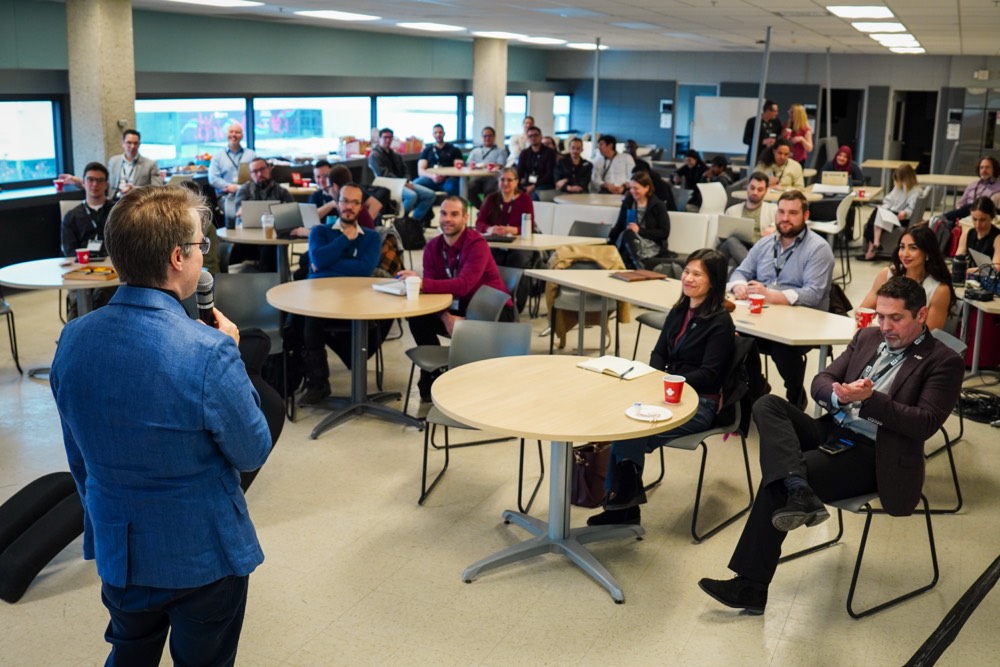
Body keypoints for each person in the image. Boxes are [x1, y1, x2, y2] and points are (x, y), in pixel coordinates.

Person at [49, 185, 273, 663]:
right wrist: (235, 357)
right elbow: (252, 450)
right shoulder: (209, 351)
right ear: (177, 257)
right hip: (202, 555)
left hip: (120, 547)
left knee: (129, 652)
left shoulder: (72, 339)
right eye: (199, 245)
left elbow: (78, 454)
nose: (203, 254)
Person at [699, 276, 964, 615]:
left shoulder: (942, 361)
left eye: (896, 318)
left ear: (921, 315)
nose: (885, 326)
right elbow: (821, 380)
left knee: (778, 479)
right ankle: (799, 488)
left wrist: (869, 400)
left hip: (875, 454)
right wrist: (839, 396)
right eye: (881, 316)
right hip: (833, 429)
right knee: (768, 405)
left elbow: (924, 423)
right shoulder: (867, 337)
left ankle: (751, 585)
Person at [587, 249, 736, 526]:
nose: (688, 278)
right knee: (625, 425)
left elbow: (709, 375)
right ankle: (624, 504)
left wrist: (668, 381)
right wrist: (656, 378)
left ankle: (621, 506)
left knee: (630, 432)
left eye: (697, 274)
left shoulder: (720, 322)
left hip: (699, 403)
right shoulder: (680, 310)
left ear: (714, 281)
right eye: (687, 271)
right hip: (666, 394)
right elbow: (659, 353)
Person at [727, 190, 835, 409]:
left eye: (793, 213)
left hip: (804, 322)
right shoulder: (765, 243)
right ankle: (757, 387)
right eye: (781, 212)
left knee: (782, 347)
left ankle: (796, 398)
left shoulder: (818, 248)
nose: (785, 218)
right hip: (763, 318)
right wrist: (739, 285)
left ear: (805, 215)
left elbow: (813, 293)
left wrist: (770, 295)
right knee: (730, 336)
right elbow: (740, 272)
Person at [398, 196, 510, 401]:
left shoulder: (477, 244)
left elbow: (463, 284)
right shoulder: (432, 247)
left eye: (454, 214)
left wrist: (421, 283)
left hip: (492, 313)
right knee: (417, 317)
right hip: (457, 309)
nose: (447, 219)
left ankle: (454, 377)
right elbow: (431, 294)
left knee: (430, 300)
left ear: (465, 218)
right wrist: (445, 317)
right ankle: (433, 372)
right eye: (443, 213)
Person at [299, 183, 385, 406]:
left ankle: (353, 369)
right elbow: (318, 259)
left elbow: (364, 270)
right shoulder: (320, 231)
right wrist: (344, 239)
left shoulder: (371, 237)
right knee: (306, 320)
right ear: (337, 203)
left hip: (358, 302)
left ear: (361, 207)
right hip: (321, 300)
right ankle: (318, 383)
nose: (349, 206)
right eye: (345, 201)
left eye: (355, 202)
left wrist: (327, 264)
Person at [856, 224, 954, 332]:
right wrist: (860, 315)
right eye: (902, 247)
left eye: (913, 248)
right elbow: (864, 311)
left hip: (914, 342)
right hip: (883, 336)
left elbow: (930, 334)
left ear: (927, 253)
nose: (905, 254)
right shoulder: (886, 274)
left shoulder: (939, 290)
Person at [232, 157, 295, 270]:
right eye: (255, 171)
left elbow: (293, 214)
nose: (259, 174)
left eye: (262, 169)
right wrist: (241, 211)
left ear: (269, 169)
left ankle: (270, 278)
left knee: (269, 247)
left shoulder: (281, 191)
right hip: (248, 237)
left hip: (273, 237)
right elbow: (238, 210)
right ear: (250, 174)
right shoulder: (245, 190)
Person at [369, 127, 436, 224]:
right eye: (385, 137)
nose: (387, 140)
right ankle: (399, 222)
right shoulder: (375, 155)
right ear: (379, 139)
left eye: (390, 137)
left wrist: (407, 181)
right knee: (411, 196)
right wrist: (402, 183)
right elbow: (384, 174)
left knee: (430, 195)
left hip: (403, 183)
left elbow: (405, 170)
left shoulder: (395, 155)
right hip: (387, 184)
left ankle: (414, 222)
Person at [608, 171, 670, 269]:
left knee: (628, 235)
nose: (632, 191)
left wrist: (639, 231)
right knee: (627, 235)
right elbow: (619, 226)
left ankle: (634, 265)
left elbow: (664, 232)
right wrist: (607, 232)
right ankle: (638, 265)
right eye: (631, 188)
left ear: (647, 188)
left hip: (649, 243)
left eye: (636, 188)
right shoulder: (628, 203)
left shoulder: (658, 205)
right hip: (629, 240)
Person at [859, 163, 921, 261]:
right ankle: (874, 245)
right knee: (877, 213)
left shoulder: (915, 191)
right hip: (893, 212)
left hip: (902, 217)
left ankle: (872, 248)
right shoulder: (899, 187)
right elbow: (888, 199)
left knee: (875, 217)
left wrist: (904, 213)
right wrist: (884, 208)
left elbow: (911, 209)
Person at [717, 171, 777, 267]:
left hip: (756, 250)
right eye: (752, 188)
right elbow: (721, 237)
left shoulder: (773, 209)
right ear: (747, 187)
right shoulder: (732, 210)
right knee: (732, 241)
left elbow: (782, 224)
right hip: (733, 246)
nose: (755, 192)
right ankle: (753, 268)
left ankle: (748, 268)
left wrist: (773, 227)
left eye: (760, 189)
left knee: (733, 262)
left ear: (766, 191)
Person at [61, 162, 114, 259]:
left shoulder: (116, 212)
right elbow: (69, 251)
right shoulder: (72, 216)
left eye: (100, 180)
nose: (95, 184)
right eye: (90, 179)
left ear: (106, 185)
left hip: (112, 262)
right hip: (82, 263)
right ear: (83, 183)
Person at [940, 156, 1000, 224]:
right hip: (965, 216)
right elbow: (961, 203)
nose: (984, 170)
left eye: (987, 167)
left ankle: (941, 219)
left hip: (983, 216)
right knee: (949, 223)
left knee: (973, 205)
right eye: (981, 167)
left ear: (994, 169)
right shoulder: (972, 185)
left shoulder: (998, 188)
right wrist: (959, 210)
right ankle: (940, 221)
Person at [107, 129, 163, 199]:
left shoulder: (150, 164)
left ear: (139, 144)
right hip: (114, 200)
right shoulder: (113, 161)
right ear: (123, 143)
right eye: (129, 143)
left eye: (135, 143)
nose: (132, 146)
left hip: (137, 200)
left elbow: (158, 188)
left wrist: (134, 189)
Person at [414, 123, 463, 197]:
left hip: (447, 179)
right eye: (435, 133)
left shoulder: (454, 150)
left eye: (440, 132)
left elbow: (458, 169)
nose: (438, 135)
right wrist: (432, 176)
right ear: (433, 134)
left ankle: (453, 204)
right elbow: (420, 171)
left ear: (444, 133)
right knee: (415, 184)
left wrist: (444, 175)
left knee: (452, 186)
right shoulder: (427, 150)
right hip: (431, 178)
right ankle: (427, 204)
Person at [955, 196, 1000, 273]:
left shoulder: (998, 238)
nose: (978, 224)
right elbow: (958, 259)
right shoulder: (967, 233)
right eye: (974, 219)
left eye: (982, 220)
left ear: (992, 217)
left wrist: (966, 271)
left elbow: (996, 268)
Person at [208, 122, 255, 195]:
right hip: (226, 195)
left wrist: (242, 188)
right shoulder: (218, 156)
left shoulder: (251, 154)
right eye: (231, 132)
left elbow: (258, 174)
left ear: (242, 136)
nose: (234, 135)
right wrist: (229, 186)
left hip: (248, 194)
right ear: (226, 134)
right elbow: (213, 179)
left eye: (237, 132)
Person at [467, 126, 508, 204]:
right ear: (482, 137)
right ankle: (482, 208)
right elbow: (469, 163)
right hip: (477, 177)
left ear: (494, 137)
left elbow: (501, 165)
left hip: (492, 177)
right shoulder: (475, 151)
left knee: (490, 189)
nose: (487, 138)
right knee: (468, 188)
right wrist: (471, 165)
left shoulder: (500, 151)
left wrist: (487, 165)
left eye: (490, 136)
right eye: (485, 136)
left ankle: (486, 209)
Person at [517, 125, 558, 200]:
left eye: (536, 135)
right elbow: (519, 171)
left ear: (541, 137)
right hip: (528, 182)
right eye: (530, 136)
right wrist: (516, 185)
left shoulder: (549, 152)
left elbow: (549, 174)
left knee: (534, 195)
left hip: (544, 184)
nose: (533, 138)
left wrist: (534, 186)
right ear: (528, 138)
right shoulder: (524, 153)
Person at [743, 99, 782, 164]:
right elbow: (746, 140)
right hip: (756, 156)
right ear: (767, 111)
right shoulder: (753, 121)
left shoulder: (776, 122)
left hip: (771, 157)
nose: (777, 113)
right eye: (775, 111)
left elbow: (779, 136)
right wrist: (762, 142)